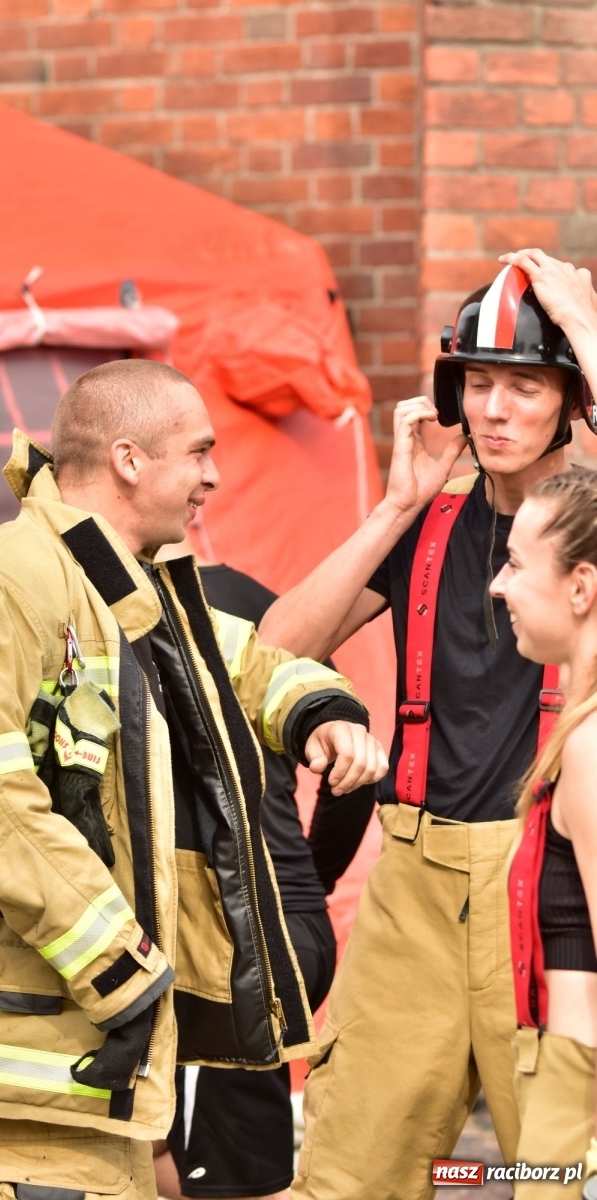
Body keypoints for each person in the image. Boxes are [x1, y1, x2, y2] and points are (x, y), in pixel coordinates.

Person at [0, 359, 388, 1200]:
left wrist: (321, 712)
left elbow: (239, 661)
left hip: (82, 1026)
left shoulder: (113, 583)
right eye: (199, 451)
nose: (214, 475)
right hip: (26, 1030)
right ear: (130, 460)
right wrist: (122, 971)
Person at [258, 249, 597, 1200]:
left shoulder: (591, 527)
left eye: (525, 387)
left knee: (552, 1178)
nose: (495, 410)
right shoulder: (428, 522)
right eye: (477, 384)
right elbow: (276, 649)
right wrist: (398, 504)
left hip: (549, 896)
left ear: (571, 399)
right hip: (413, 887)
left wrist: (588, 330)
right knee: (350, 1175)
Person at [152, 554, 375, 1200]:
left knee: (224, 1178)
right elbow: (352, 762)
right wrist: (310, 886)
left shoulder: (133, 610)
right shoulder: (265, 607)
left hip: (237, 944)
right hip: (282, 929)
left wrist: (293, 893)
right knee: (179, 1153)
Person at [492, 468, 597, 1199]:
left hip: (577, 1092)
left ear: (581, 587)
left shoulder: (591, 747)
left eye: (516, 563)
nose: (499, 585)